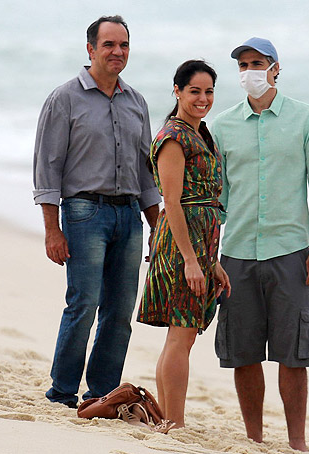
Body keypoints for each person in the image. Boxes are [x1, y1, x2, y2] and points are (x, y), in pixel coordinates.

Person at [32, 15, 161, 409]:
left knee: (120, 311)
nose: (117, 52)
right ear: (90, 49)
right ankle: (62, 393)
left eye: (123, 45)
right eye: (108, 45)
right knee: (84, 303)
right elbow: (47, 167)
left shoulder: (136, 101)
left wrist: (158, 227)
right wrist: (53, 231)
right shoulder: (65, 98)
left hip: (129, 216)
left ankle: (101, 395)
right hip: (84, 212)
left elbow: (146, 171)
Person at [211, 37, 309, 451]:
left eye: (257, 62)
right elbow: (217, 199)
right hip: (238, 253)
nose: (250, 71)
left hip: (292, 252)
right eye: (243, 65)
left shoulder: (305, 119)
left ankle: (296, 442)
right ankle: (255, 439)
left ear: (276, 67)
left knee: (293, 353)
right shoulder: (222, 126)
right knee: (242, 352)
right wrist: (211, 255)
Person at [137, 60, 231, 430]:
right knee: (183, 333)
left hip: (198, 245)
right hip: (181, 245)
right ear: (177, 91)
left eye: (209, 91)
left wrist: (212, 262)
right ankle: (174, 422)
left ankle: (166, 417)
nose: (203, 98)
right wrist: (192, 261)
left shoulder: (201, 133)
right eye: (194, 91)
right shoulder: (174, 137)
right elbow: (171, 203)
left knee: (182, 335)